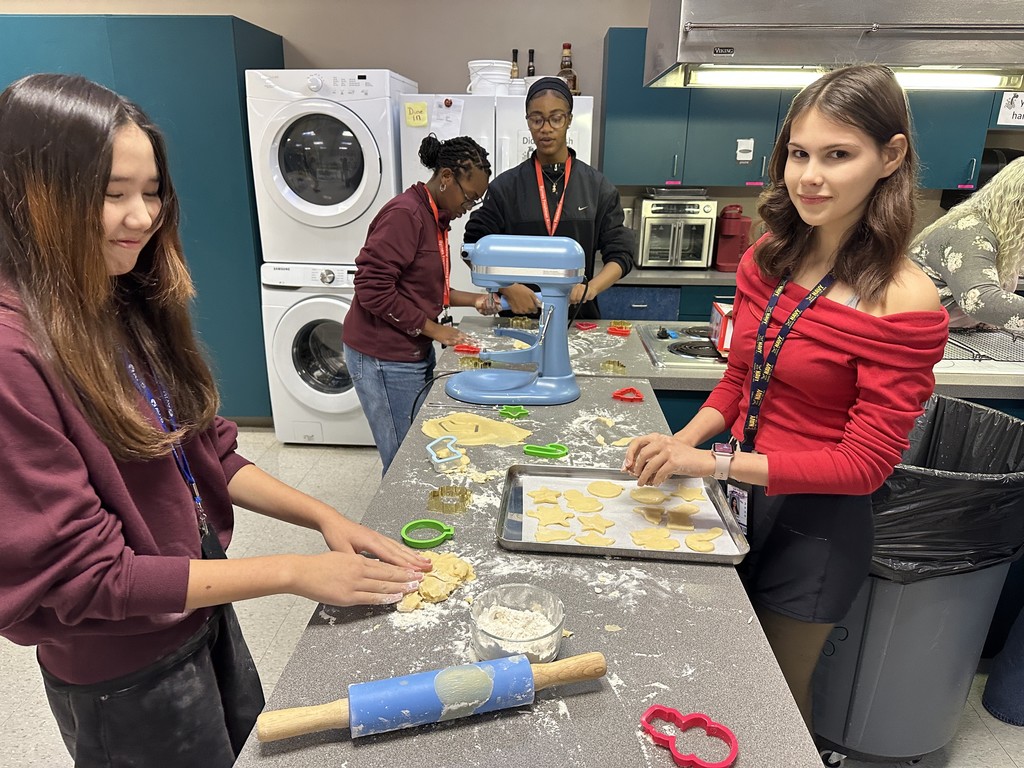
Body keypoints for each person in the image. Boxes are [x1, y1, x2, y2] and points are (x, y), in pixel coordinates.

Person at [0, 73, 432, 768]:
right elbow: (90, 580)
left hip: (192, 611)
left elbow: (211, 454)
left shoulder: (116, 300)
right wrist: (294, 573)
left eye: (151, 192)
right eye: (112, 195)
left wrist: (327, 517)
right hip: (121, 672)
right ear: (33, 192)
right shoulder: (14, 356)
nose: (141, 217)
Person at [623, 64, 948, 733]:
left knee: (772, 703)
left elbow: (864, 465)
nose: (811, 177)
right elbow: (740, 381)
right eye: (800, 154)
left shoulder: (903, 299)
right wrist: (682, 442)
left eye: (838, 155)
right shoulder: (768, 258)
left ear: (890, 157)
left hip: (817, 530)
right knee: (715, 668)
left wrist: (710, 464)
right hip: (740, 500)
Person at [342, 135, 497, 474]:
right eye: (469, 197)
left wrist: (476, 300)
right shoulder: (406, 215)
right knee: (404, 461)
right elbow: (372, 287)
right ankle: (392, 527)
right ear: (446, 178)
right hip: (383, 358)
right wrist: (434, 329)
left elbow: (422, 288)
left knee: (418, 446)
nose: (468, 207)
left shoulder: (433, 217)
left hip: (410, 349)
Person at [463, 76, 634, 319]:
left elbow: (621, 253)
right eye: (536, 119)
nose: (546, 128)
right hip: (519, 320)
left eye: (556, 118)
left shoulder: (597, 187)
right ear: (528, 121)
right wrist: (507, 287)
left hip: (577, 319)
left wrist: (591, 288)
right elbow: (473, 248)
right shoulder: (505, 188)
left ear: (569, 120)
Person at [909, 155, 1024, 332]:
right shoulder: (971, 233)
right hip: (919, 330)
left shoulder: (1005, 234)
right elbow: (981, 300)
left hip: (955, 330)